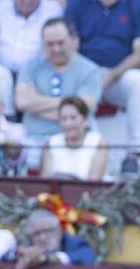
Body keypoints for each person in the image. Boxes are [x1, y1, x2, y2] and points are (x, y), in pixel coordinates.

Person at [65, 0, 140, 166]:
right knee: (72, 82)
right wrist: (91, 75)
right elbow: (68, 47)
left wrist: (113, 74)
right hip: (84, 74)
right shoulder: (76, 5)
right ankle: (87, 156)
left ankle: (137, 153)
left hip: (120, 75)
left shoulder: (138, 6)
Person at [15, 18, 103, 169]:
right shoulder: (31, 66)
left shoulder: (90, 70)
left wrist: (36, 105)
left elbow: (84, 108)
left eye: (61, 43)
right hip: (34, 140)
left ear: (74, 40)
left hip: (75, 142)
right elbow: (22, 102)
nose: (56, 49)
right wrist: (69, 106)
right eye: (50, 44)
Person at [40, 96, 109, 180]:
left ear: (85, 120)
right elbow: (45, 183)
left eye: (73, 118)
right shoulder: (50, 144)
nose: (68, 123)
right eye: (63, 118)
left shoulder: (99, 143)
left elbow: (94, 183)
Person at [9, 207, 96, 269]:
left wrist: (44, 259)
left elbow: (86, 258)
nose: (42, 238)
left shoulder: (77, 244)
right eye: (36, 233)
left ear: (59, 231)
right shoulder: (29, 248)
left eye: (47, 231)